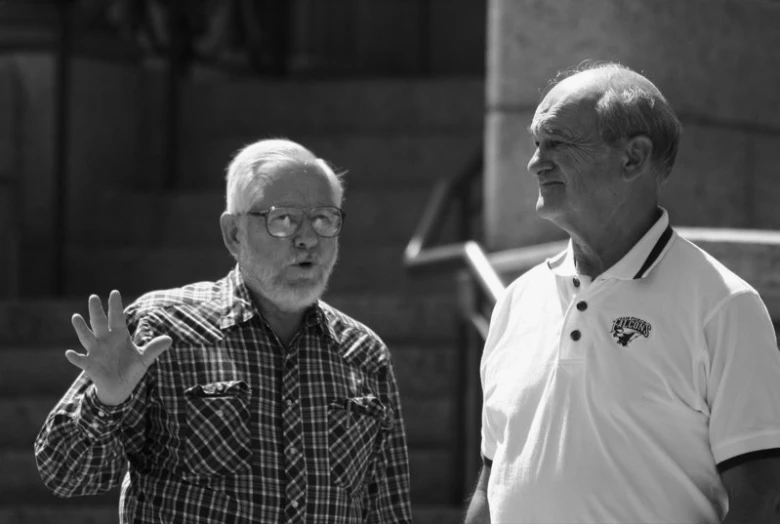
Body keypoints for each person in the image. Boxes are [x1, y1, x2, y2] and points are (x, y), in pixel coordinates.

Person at [35, 138, 413, 524]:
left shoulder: (365, 354)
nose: (308, 238)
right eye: (283, 219)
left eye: (324, 219)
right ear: (234, 234)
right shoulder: (162, 329)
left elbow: (389, 513)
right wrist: (106, 403)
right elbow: (64, 474)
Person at [465, 62, 780, 523]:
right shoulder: (514, 302)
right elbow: (492, 483)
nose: (535, 161)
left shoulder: (724, 307)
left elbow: (760, 500)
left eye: (557, 141)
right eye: (537, 142)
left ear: (633, 157)